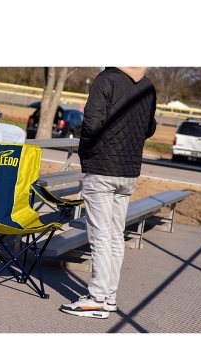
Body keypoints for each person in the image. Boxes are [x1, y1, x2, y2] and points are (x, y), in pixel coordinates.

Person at [60, 67, 157, 319]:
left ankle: (96, 299)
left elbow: (91, 123)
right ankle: (109, 298)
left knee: (101, 236)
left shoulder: (107, 79)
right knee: (115, 236)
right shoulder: (147, 86)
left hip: (102, 168)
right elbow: (150, 128)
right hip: (128, 171)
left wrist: (88, 155)